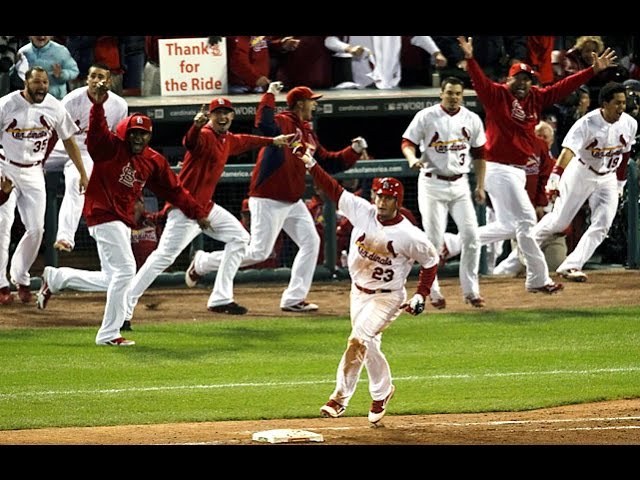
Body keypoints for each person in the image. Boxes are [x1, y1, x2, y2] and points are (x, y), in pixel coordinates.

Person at [36, 79, 210, 347]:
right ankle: (109, 333)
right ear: (125, 132)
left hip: (121, 219)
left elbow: (175, 191)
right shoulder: (110, 148)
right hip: (102, 213)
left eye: (143, 133)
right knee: (127, 270)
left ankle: (57, 278)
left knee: (113, 277)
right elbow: (95, 136)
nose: (138, 137)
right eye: (134, 132)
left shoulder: (153, 160)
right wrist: (97, 105)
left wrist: (197, 212)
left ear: (150, 136)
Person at [456, 35, 616, 294]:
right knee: (528, 221)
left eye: (527, 80)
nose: (523, 84)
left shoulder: (535, 98)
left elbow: (562, 87)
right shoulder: (497, 95)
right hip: (498, 167)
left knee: (510, 226)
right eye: (518, 79)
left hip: (517, 171)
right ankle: (538, 278)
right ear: (508, 80)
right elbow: (480, 82)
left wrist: (591, 71)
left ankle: (454, 241)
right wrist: (470, 58)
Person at [187, 83, 366, 312]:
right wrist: (270, 94)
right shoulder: (283, 120)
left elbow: (328, 162)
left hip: (293, 200)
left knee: (311, 242)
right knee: (258, 252)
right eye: (312, 100)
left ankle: (293, 298)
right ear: (300, 103)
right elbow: (263, 123)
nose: (315, 104)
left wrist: (353, 151)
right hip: (268, 197)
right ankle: (203, 262)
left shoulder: (308, 131)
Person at [292, 148, 439, 424]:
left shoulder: (410, 235)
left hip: (388, 297)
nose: (382, 202)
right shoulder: (363, 211)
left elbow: (430, 261)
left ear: (398, 201)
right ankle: (382, 392)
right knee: (368, 345)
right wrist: (311, 163)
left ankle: (341, 398)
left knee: (359, 339)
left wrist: (421, 293)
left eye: (388, 198)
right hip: (358, 293)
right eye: (379, 196)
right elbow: (333, 189)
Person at [126, 96, 293, 321]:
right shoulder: (204, 135)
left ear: (232, 116)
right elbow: (190, 142)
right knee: (163, 258)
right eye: (217, 113)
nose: (222, 117)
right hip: (185, 209)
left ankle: (220, 297)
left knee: (240, 238)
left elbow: (246, 140)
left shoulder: (227, 139)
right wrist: (195, 126)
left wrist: (273, 141)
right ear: (210, 117)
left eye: (226, 113)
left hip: (206, 207)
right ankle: (126, 302)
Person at [0, 66, 88, 306]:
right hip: (5, 168)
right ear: (26, 82)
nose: (41, 87)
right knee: (2, 227)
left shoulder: (54, 106)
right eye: (37, 82)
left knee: (37, 229)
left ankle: (20, 277)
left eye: (45, 83)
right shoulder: (6, 104)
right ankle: (1, 284)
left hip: (34, 170)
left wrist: (81, 171)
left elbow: (69, 138)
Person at [533, 81, 637, 282]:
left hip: (608, 176)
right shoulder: (586, 123)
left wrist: (620, 184)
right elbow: (568, 151)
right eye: (617, 103)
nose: (622, 107)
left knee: (603, 224)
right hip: (581, 171)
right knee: (559, 221)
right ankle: (528, 242)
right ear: (604, 104)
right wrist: (555, 176)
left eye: (623, 103)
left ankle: (571, 266)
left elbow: (625, 155)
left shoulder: (630, 123)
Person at [402, 75, 486, 309]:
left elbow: (480, 154)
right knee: (434, 241)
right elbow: (407, 142)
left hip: (460, 184)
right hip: (432, 183)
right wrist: (411, 158)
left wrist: (480, 185)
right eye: (449, 92)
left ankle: (471, 291)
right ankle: (433, 292)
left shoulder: (471, 118)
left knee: (472, 237)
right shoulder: (426, 116)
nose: (454, 97)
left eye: (458, 93)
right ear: (441, 93)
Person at [47, 62, 128, 253]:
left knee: (77, 182)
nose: (96, 80)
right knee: (21, 162)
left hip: (87, 153)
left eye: (101, 77)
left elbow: (117, 139)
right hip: (62, 145)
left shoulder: (119, 105)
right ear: (87, 79)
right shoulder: (72, 99)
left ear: (109, 81)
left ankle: (65, 237)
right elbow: (53, 131)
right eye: (93, 76)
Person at [14, 36, 79, 100]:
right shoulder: (23, 52)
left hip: (56, 98)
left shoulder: (61, 51)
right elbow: (16, 74)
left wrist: (62, 74)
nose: (42, 36)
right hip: (30, 99)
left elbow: (74, 71)